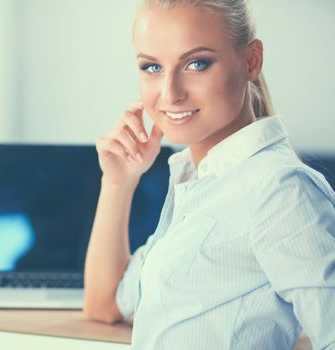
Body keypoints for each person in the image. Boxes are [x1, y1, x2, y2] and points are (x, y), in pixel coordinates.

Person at [83, 0, 335, 349]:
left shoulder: (279, 190)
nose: (170, 93)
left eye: (196, 64)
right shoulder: (195, 180)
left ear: (251, 61)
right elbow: (104, 304)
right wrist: (118, 183)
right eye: (152, 67)